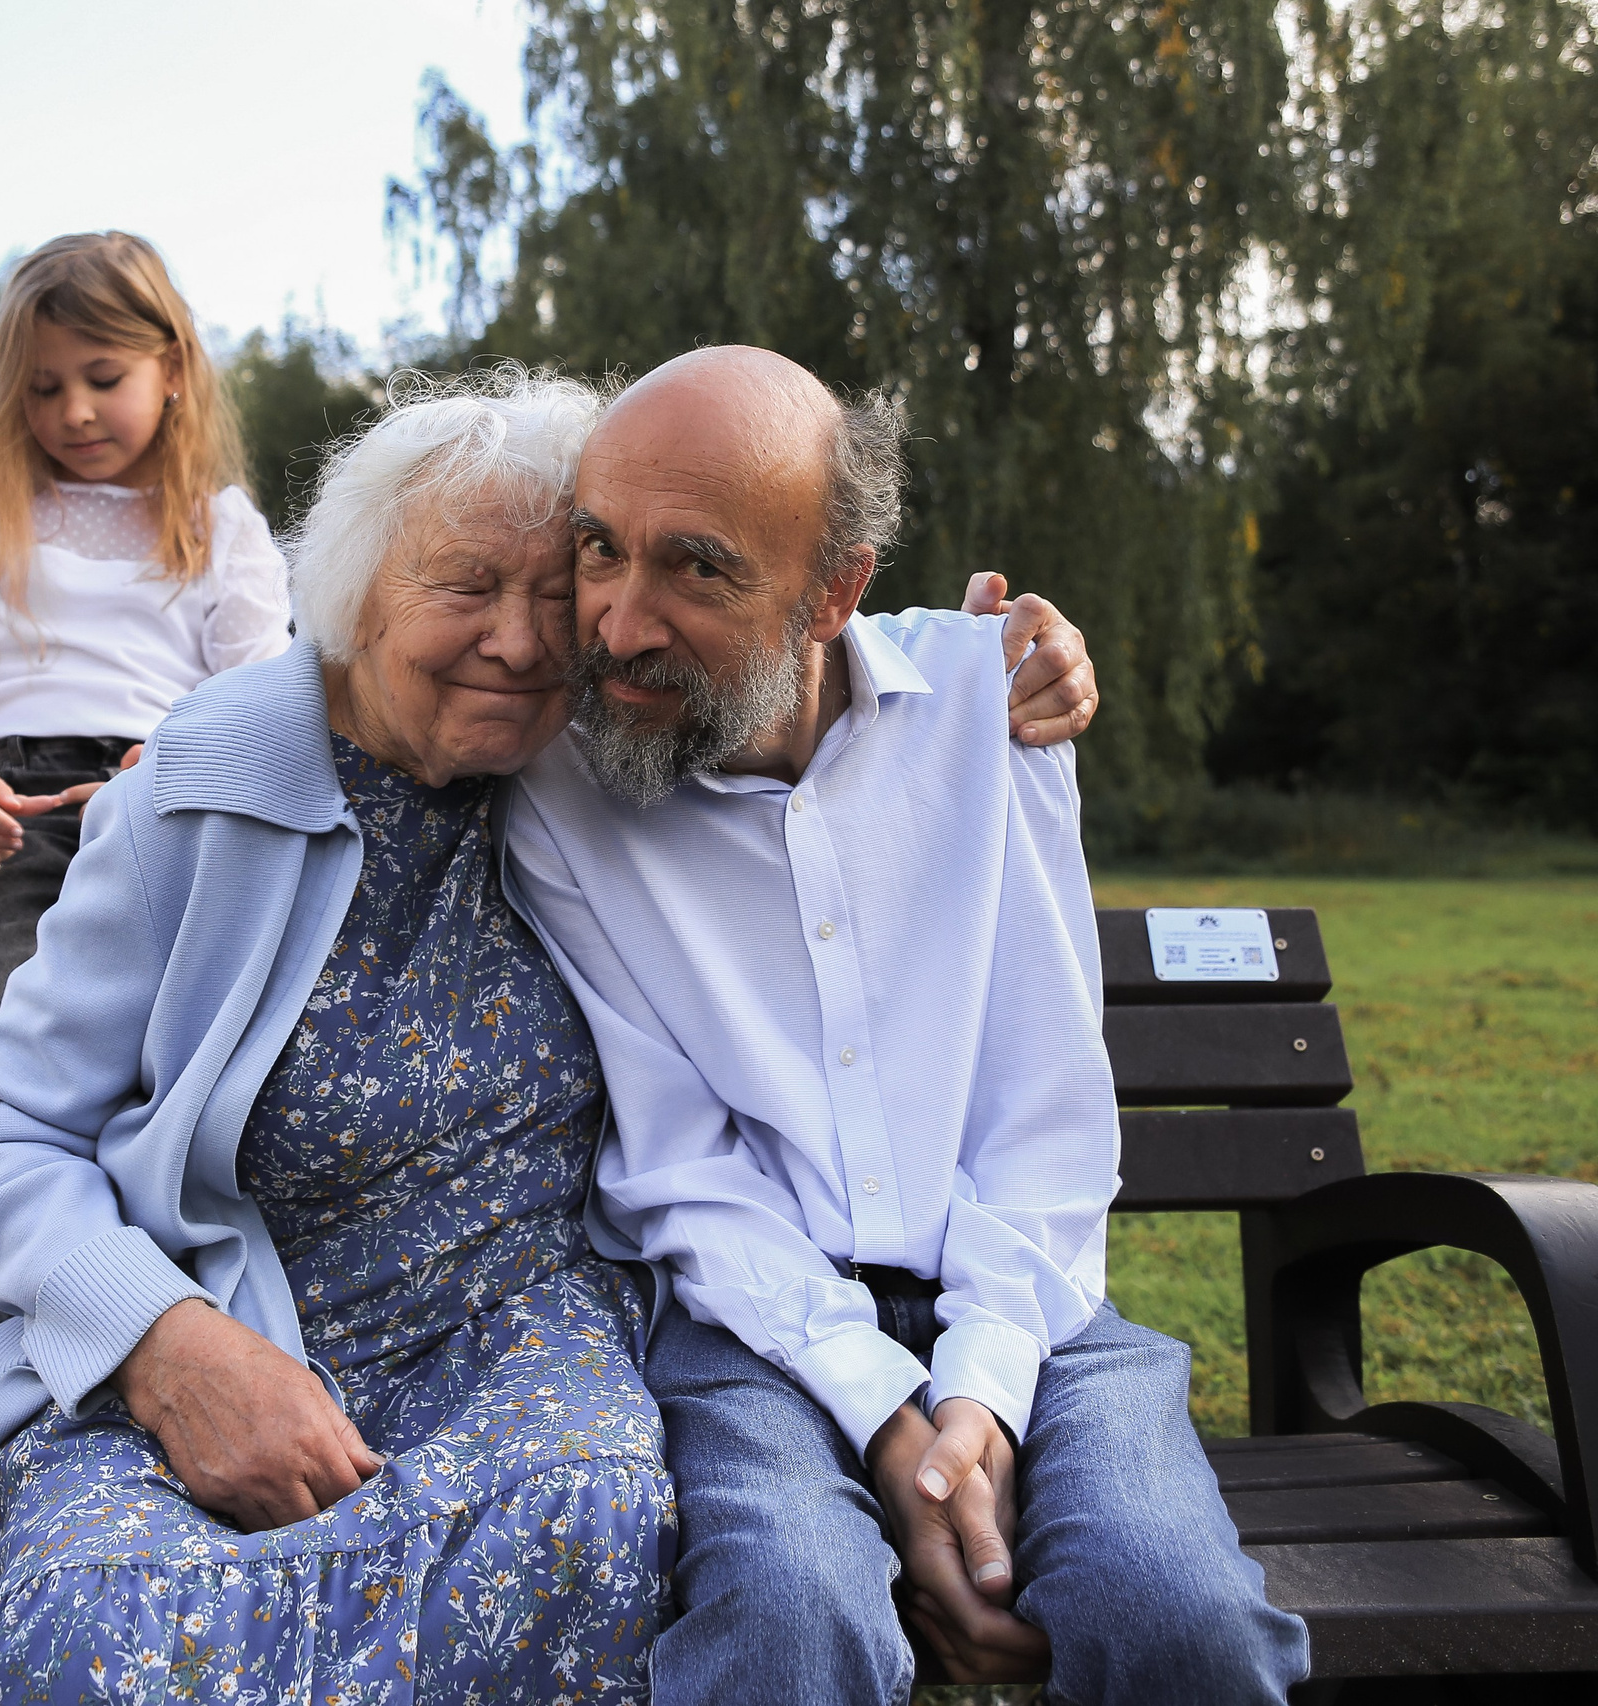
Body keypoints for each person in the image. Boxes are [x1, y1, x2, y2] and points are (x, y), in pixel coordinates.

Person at [0, 365, 1097, 1702]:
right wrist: (166, 1342)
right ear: (353, 596)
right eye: (466, 585)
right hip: (218, 1326)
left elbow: (792, 639)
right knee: (109, 1619)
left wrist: (1017, 648)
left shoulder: (605, 761)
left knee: (585, 1528)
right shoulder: (201, 799)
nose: (531, 641)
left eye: (557, 590)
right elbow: (0, 1126)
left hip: (517, 1329)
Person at [500, 347, 1308, 1703]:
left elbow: (1044, 1108)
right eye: (597, 548)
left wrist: (979, 1393)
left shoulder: (986, 705)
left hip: (1036, 1304)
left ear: (835, 590)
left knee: (1180, 1621)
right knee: (787, 1621)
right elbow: (679, 1162)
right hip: (750, 1320)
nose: (620, 622)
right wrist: (887, 1416)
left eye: (697, 567)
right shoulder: (562, 787)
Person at [0, 231, 290, 1139]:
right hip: (5, 806)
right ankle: (17, 1205)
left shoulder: (219, 526)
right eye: (43, 387)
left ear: (172, 367)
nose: (73, 412)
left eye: (103, 379)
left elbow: (264, 712)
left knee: (201, 1038)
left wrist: (189, 758)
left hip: (162, 796)